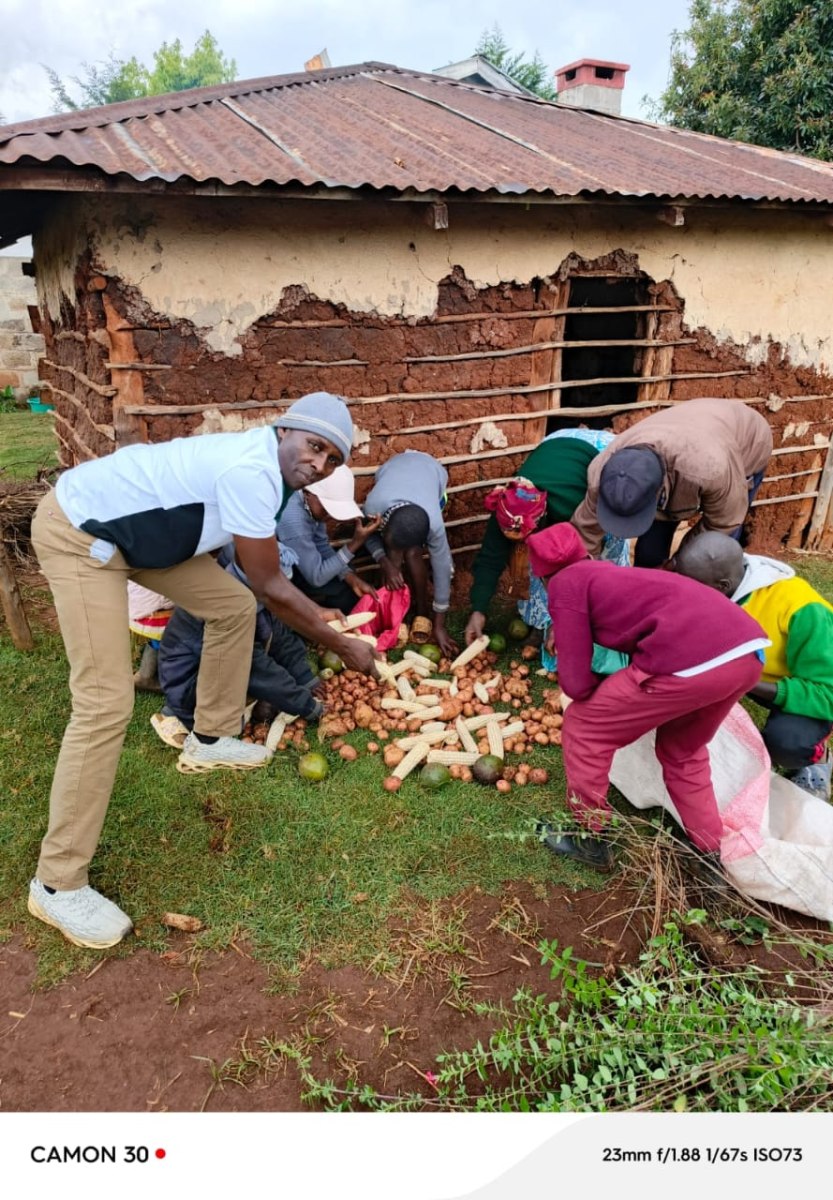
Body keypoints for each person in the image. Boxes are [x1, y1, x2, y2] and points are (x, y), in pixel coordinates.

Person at [28, 392, 379, 950]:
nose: (319, 463)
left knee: (232, 605)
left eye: (332, 458)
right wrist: (340, 643)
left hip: (138, 541)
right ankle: (57, 883)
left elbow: (243, 567)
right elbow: (271, 585)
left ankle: (209, 737)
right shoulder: (252, 471)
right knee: (104, 704)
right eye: (315, 447)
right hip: (82, 532)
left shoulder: (276, 477)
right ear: (283, 430)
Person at [526, 522, 767, 870]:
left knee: (584, 724)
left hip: (689, 659)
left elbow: (575, 686)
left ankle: (591, 837)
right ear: (586, 555)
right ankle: (709, 853)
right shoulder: (607, 574)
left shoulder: (564, 584)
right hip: (747, 652)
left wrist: (603, 698)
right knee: (681, 750)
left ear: (542, 577)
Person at [669, 531, 833, 800]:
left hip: (800, 686)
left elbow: (828, 694)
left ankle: (817, 759)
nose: (687, 594)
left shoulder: (803, 610)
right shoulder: (714, 582)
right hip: (747, 672)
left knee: (786, 743)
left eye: (694, 587)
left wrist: (744, 681)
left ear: (723, 584)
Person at [464, 428, 629, 647]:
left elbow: (585, 564)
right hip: (553, 445)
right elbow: (490, 558)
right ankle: (541, 622)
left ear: (540, 520)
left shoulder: (571, 509)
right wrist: (478, 610)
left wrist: (566, 618)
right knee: (539, 560)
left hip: (597, 452)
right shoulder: (507, 509)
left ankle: (605, 621)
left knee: (607, 556)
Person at [570, 398, 773, 568]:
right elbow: (585, 533)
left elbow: (723, 523)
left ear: (659, 492)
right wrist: (583, 574)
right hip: (688, 434)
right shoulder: (603, 471)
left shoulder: (710, 470)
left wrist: (677, 565)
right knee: (649, 553)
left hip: (747, 440)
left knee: (713, 558)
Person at [154, 545, 322, 748]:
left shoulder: (254, 596)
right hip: (187, 683)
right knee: (226, 726)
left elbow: (280, 639)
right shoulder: (223, 608)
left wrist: (307, 679)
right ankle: (178, 713)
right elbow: (256, 669)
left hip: (218, 665)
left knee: (264, 700)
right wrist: (309, 707)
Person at [363, 450, 458, 657]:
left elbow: (442, 569)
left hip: (433, 473)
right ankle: (393, 613)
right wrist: (384, 561)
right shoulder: (372, 507)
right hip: (394, 467)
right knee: (393, 559)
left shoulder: (434, 525)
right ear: (385, 527)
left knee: (413, 553)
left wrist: (439, 624)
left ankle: (422, 610)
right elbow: (367, 536)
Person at [277, 463, 380, 614]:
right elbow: (316, 578)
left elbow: (322, 545)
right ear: (308, 493)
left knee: (345, 577)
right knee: (340, 590)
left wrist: (351, 578)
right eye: (326, 509)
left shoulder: (309, 504)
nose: (330, 516)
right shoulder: (294, 519)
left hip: (298, 559)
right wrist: (355, 543)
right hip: (275, 572)